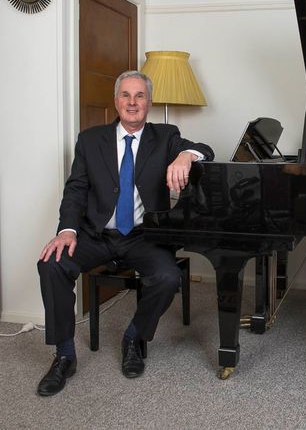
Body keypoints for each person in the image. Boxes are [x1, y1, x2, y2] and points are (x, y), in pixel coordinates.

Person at [36, 70, 214, 396]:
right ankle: (64, 355)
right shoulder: (90, 140)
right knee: (52, 263)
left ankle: (134, 336)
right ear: (116, 101)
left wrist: (186, 155)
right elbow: (76, 190)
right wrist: (67, 230)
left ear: (149, 102)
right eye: (126, 95)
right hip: (96, 235)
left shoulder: (166, 136)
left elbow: (206, 149)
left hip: (143, 237)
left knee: (167, 277)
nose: (132, 102)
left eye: (139, 96)